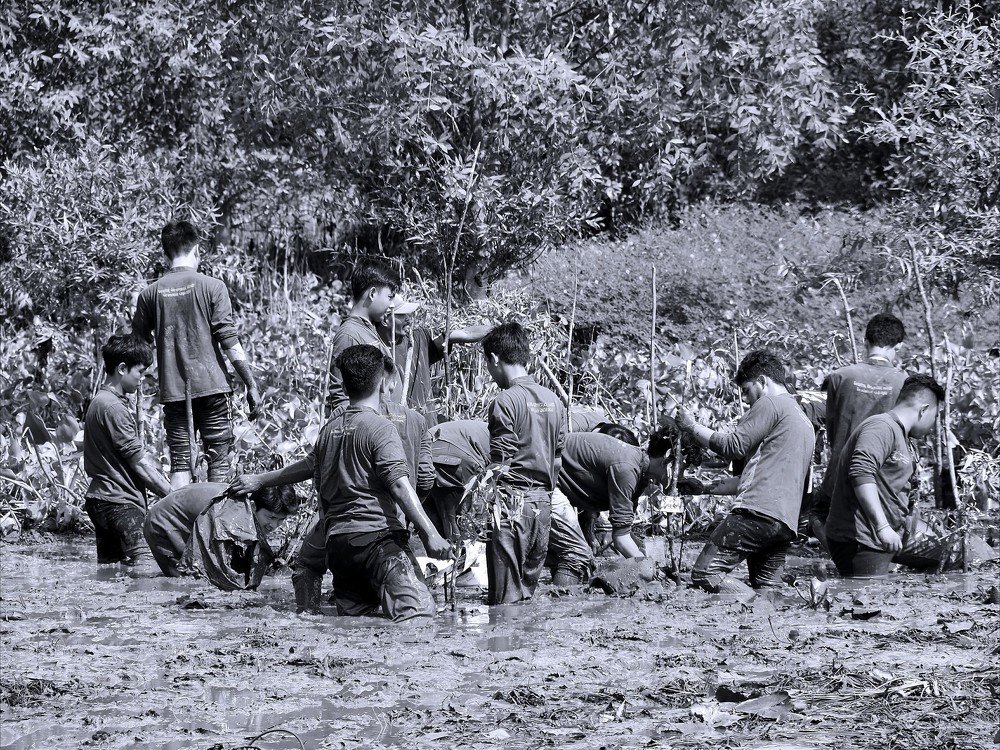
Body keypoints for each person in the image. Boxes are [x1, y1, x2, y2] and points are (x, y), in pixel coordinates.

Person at [236, 345, 450, 621]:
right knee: (419, 616)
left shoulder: (330, 428)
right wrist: (430, 533)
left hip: (338, 546)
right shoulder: (380, 428)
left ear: (345, 384)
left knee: (356, 622)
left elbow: (306, 466)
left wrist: (258, 480)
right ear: (383, 383)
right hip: (377, 541)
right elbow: (398, 484)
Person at [133, 221, 260, 489]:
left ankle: (178, 525)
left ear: (165, 255)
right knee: (218, 460)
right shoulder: (213, 287)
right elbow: (229, 340)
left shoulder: (149, 295)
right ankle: (214, 524)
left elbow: (139, 347)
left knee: (180, 460)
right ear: (197, 250)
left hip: (174, 391)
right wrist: (250, 383)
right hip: (213, 388)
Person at [676, 350, 815, 592]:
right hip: (783, 522)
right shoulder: (801, 419)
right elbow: (755, 477)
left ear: (763, 381)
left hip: (756, 514)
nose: (749, 400)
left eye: (748, 391)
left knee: (704, 574)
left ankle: (750, 604)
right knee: (767, 586)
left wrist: (691, 426)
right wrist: (705, 488)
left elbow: (733, 446)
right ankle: (767, 619)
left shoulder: (770, 403)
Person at [481, 322, 570, 603]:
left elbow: (501, 461)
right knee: (526, 591)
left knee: (505, 597)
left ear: (494, 358)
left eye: (488, 364)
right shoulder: (554, 400)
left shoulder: (506, 401)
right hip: (543, 503)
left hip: (511, 501)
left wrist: (483, 498)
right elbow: (557, 461)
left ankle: (502, 644)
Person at [824, 374, 943, 577]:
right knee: (868, 599)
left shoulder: (901, 435)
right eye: (935, 416)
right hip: (862, 538)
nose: (933, 425)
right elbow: (861, 472)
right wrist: (883, 527)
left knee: (947, 552)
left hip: (886, 533)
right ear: (923, 410)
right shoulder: (881, 427)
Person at [809, 313, 908, 546]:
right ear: (899, 346)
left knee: (816, 514)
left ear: (865, 342)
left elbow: (832, 427)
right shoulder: (904, 382)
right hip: (886, 476)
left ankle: (835, 552)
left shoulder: (840, 376)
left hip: (840, 468)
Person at [83, 334, 171, 567]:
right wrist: (173, 496)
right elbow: (139, 463)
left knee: (110, 569)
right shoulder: (113, 408)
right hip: (119, 504)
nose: (142, 379)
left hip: (99, 500)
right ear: (122, 368)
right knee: (147, 564)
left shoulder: (99, 401)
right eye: (140, 372)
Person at [557, 430, 674, 559]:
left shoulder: (641, 470)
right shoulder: (627, 469)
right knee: (576, 555)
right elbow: (620, 539)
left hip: (554, 477)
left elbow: (624, 530)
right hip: (543, 475)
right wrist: (648, 567)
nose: (679, 477)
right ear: (667, 460)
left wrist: (643, 551)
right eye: (681, 470)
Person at [143, 482, 296, 577]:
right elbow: (222, 558)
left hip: (190, 519)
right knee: (187, 581)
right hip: (164, 522)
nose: (275, 525)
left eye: (281, 520)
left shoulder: (245, 507)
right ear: (254, 507)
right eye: (270, 518)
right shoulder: (234, 510)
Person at [380, 302, 491, 424]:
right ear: (385, 319)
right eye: (401, 315)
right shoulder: (375, 351)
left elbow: (466, 334)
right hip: (397, 426)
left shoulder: (420, 338)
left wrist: (500, 329)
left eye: (408, 314)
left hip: (427, 425)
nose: (408, 318)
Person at [326, 260, 399, 412]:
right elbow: (341, 399)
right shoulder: (349, 334)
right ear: (372, 294)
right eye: (389, 297)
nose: (392, 305)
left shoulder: (369, 329)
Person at [425, 419, 491, 540]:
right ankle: (456, 548)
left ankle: (442, 546)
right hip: (454, 454)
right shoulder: (509, 438)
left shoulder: (490, 428)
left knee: (437, 509)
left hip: (429, 448)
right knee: (455, 517)